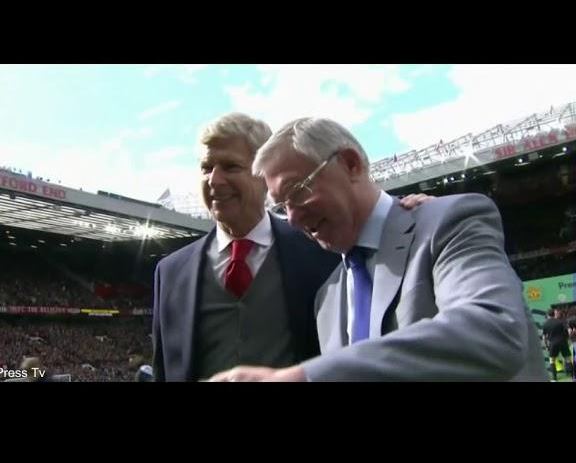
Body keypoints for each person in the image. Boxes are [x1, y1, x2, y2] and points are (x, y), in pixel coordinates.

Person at [209, 117, 547, 382]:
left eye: (297, 191)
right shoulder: (327, 299)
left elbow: (493, 329)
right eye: (282, 207)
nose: (293, 219)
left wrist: (305, 377)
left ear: (351, 164)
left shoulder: (449, 222)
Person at [152, 113, 431, 382]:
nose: (214, 179)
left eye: (230, 167)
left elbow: (373, 224)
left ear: (264, 174)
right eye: (206, 168)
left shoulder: (324, 244)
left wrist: (408, 210)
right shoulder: (171, 271)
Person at [542, 308, 572, 381]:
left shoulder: (545, 324)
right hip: (563, 341)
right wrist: (568, 338)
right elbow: (569, 330)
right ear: (553, 314)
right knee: (567, 358)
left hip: (553, 343)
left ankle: (554, 379)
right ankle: (572, 375)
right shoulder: (560, 321)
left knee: (552, 361)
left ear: (548, 315)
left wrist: (546, 345)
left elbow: (544, 337)